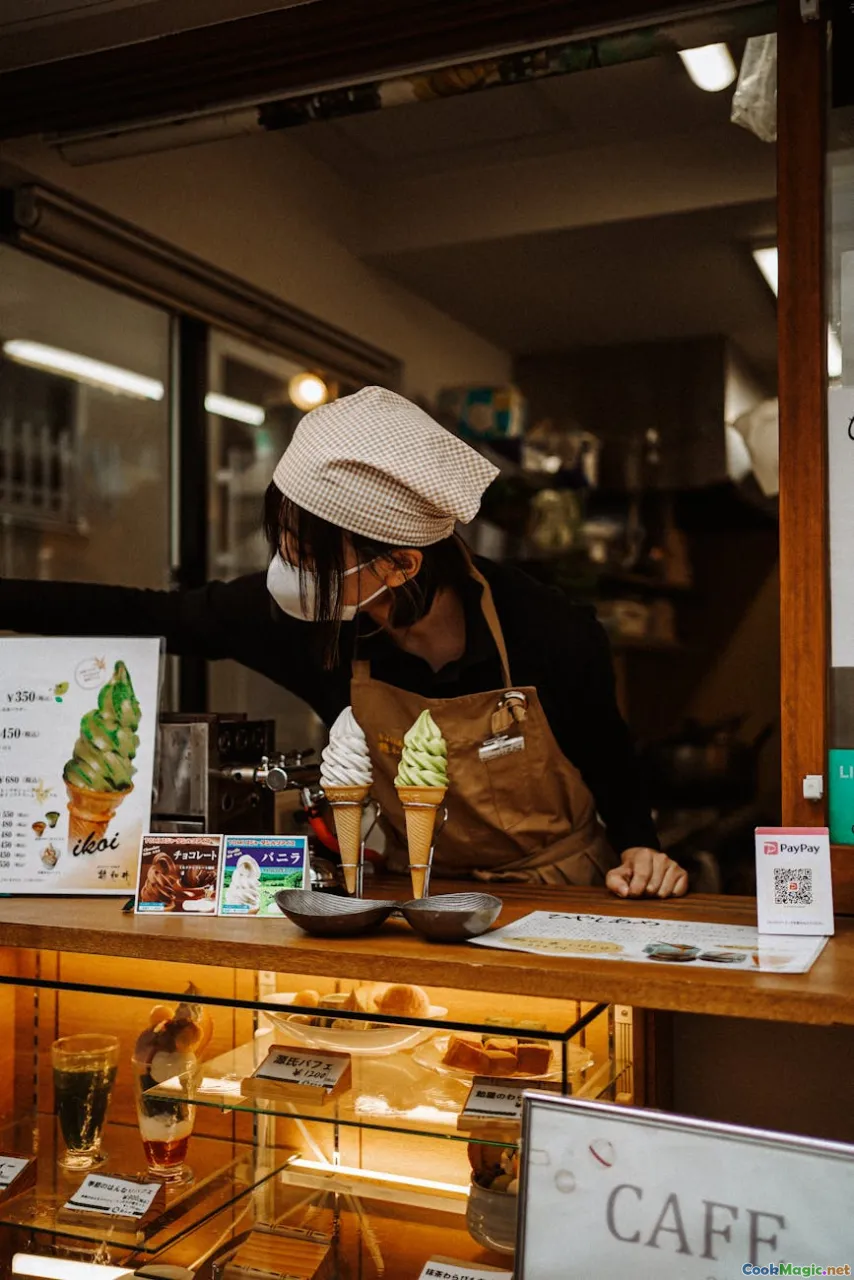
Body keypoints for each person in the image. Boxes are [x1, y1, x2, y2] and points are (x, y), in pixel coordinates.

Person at [0, 386, 687, 898]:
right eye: (285, 544)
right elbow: (156, 615)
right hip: (424, 894)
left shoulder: (549, 630)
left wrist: (643, 851)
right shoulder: (310, 626)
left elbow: (609, 756)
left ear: (400, 564)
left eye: (308, 553)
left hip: (562, 890)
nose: (287, 568)